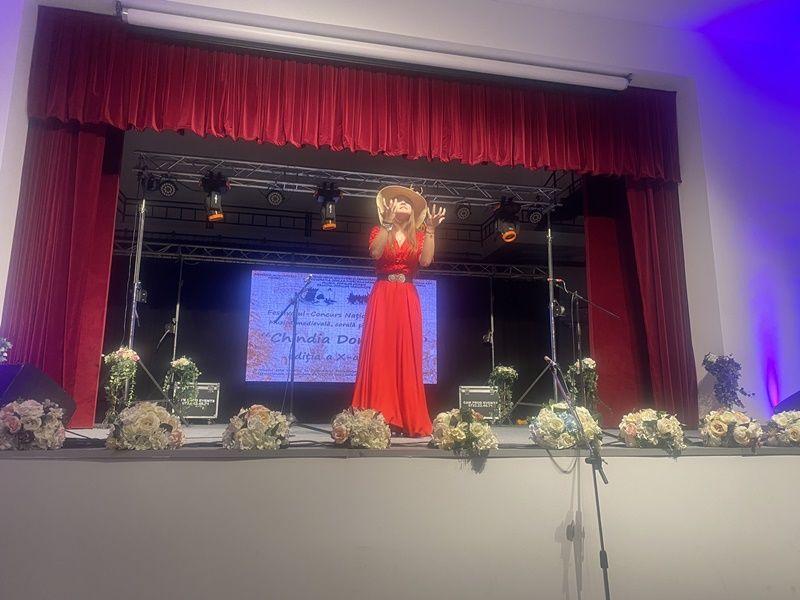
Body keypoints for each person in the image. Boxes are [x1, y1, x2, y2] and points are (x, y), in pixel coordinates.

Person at [351, 186, 446, 437]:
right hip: (382, 294)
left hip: (407, 296)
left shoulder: (420, 235)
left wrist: (431, 230)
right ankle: (377, 416)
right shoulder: (379, 230)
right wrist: (387, 224)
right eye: (398, 200)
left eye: (407, 202)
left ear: (414, 211)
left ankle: (407, 418)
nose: (403, 203)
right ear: (389, 207)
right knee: (379, 353)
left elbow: (425, 261)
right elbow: (375, 252)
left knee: (407, 354)